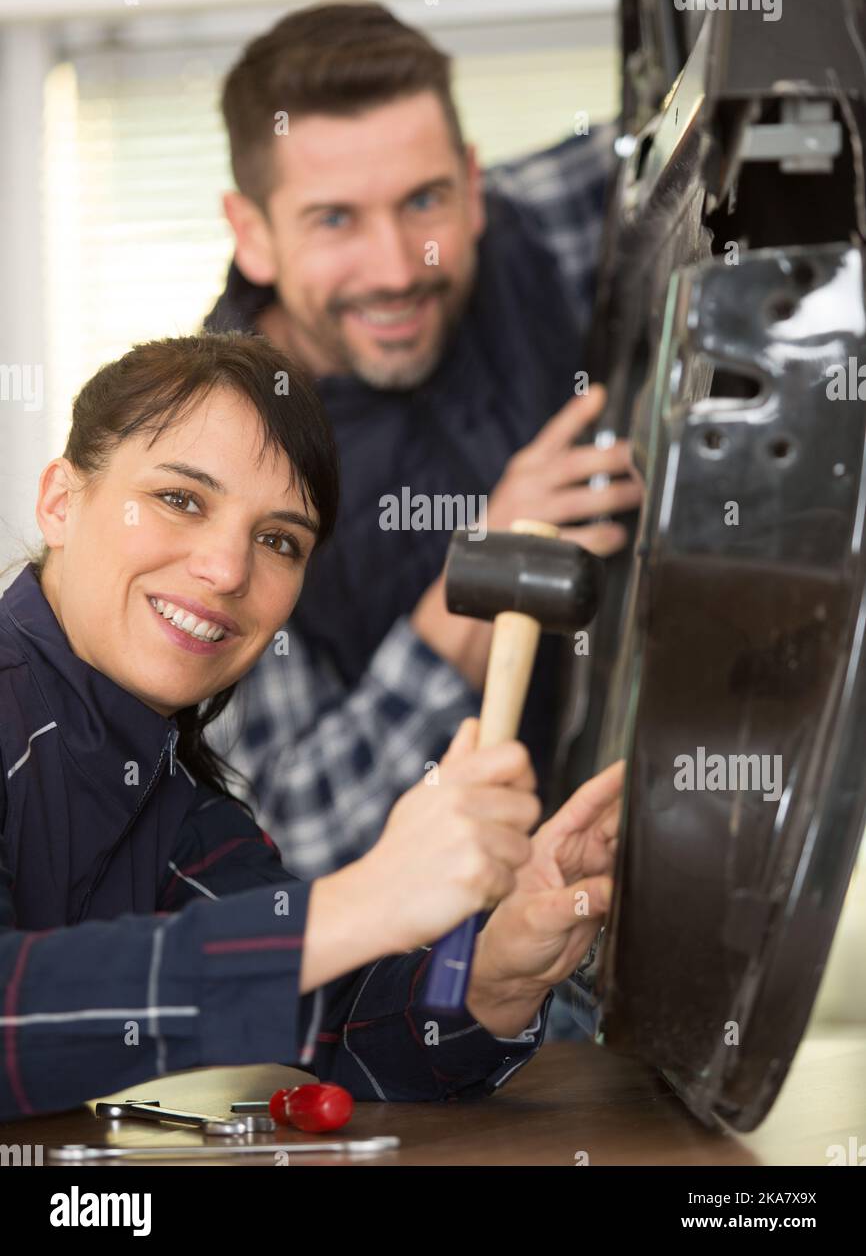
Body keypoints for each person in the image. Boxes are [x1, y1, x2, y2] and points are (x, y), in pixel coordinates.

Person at [0, 332, 622, 1121]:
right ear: (60, 500)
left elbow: (340, 1023)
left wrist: (496, 970)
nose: (228, 571)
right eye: (180, 499)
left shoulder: (178, 813)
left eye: (277, 541)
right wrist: (364, 901)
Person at [204, 0, 639, 892]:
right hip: (459, 979)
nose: (398, 266)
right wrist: (475, 582)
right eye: (334, 220)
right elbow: (291, 831)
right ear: (252, 233)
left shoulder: (536, 228)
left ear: (471, 186)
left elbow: (719, 130)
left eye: (424, 201)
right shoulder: (217, 466)